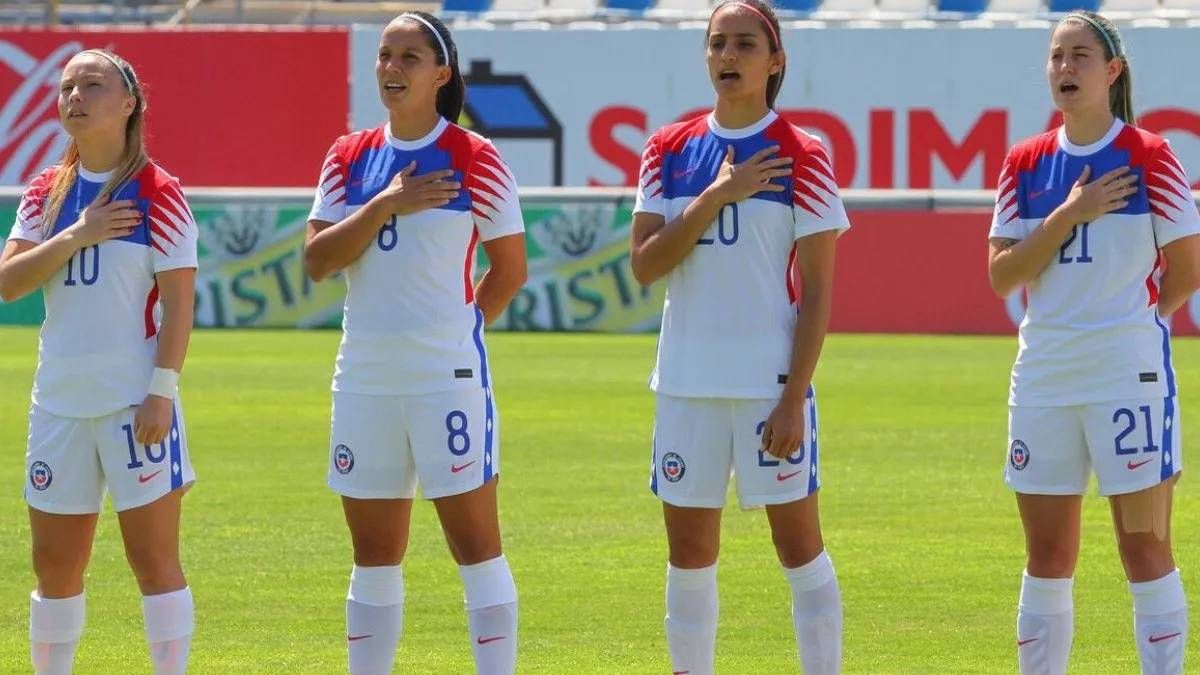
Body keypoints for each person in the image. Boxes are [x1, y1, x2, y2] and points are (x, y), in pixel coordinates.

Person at [303, 12, 528, 675]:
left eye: (408, 57)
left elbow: (510, 269)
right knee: (373, 552)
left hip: (445, 380)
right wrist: (383, 206)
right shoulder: (349, 156)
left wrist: (458, 336)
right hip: (364, 378)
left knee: (476, 546)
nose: (392, 68)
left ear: (441, 74)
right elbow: (318, 261)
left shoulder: (476, 156)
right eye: (383, 56)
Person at [629, 2, 850, 672]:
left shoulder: (802, 153)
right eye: (718, 43)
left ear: (774, 60)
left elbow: (817, 293)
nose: (729, 56)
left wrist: (793, 398)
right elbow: (645, 265)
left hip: (766, 387)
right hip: (686, 385)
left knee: (799, 547)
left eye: (745, 45)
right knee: (689, 556)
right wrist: (714, 198)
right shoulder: (667, 149)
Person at [987, 12, 1200, 675]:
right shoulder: (1024, 162)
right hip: (1045, 376)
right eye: (1055, 57)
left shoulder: (1150, 155)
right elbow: (1002, 276)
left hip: (1123, 376)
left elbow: (1187, 269)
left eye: (1079, 56)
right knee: (1047, 554)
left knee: (1143, 547)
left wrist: (1134, 324)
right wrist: (1068, 215)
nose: (1064, 69)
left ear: (1111, 71)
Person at [0, 49, 198, 675]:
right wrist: (76, 234)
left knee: (154, 563)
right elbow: (8, 283)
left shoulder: (160, 194)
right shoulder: (45, 192)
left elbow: (178, 306)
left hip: (133, 404)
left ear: (129, 102)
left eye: (92, 84)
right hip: (58, 404)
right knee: (55, 568)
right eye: (66, 87)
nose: (75, 96)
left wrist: (161, 391)